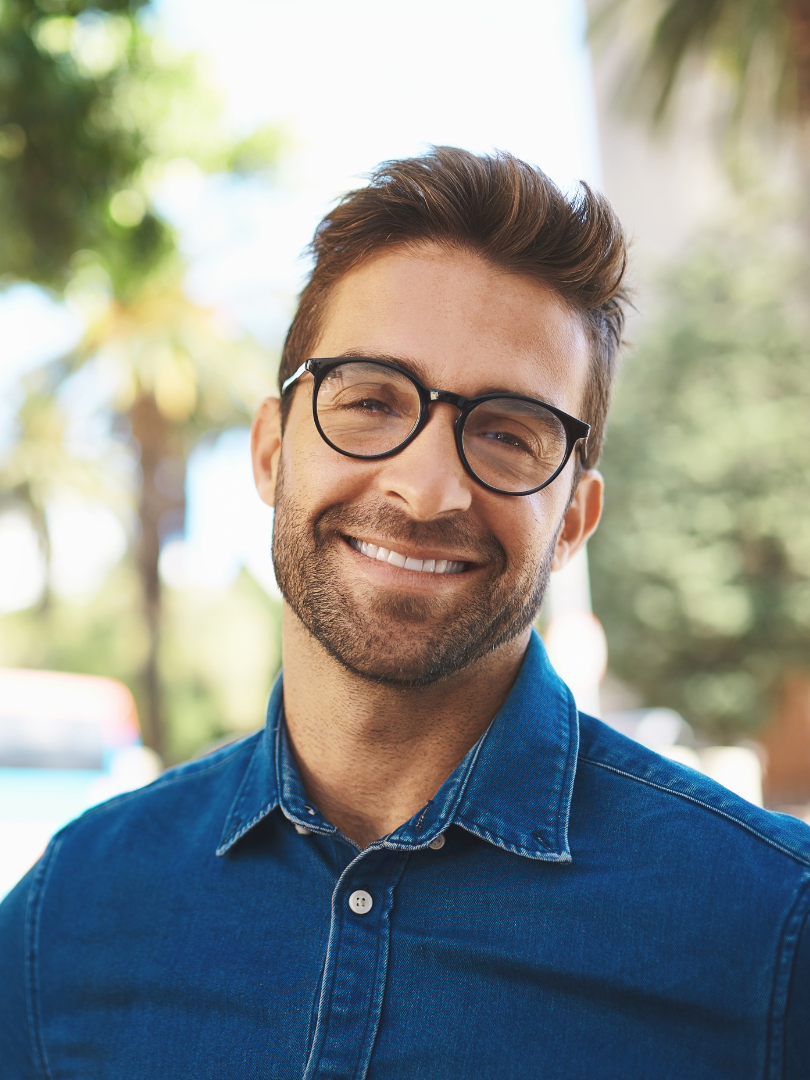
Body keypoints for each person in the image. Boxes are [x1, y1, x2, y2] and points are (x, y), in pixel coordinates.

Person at [1, 147, 808, 1079]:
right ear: (271, 452)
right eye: (372, 401)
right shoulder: (70, 914)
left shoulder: (774, 933)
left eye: (509, 432)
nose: (427, 490)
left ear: (575, 520)